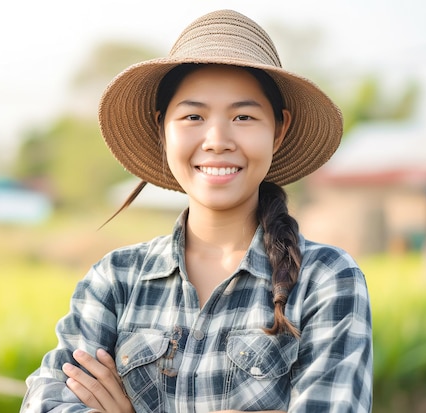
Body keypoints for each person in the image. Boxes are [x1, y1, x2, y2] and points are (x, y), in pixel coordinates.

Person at [20, 9, 372, 413]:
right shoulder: (115, 281)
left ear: (279, 129)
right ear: (161, 128)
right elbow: (47, 403)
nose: (217, 140)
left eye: (243, 116)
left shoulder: (326, 279)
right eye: (193, 116)